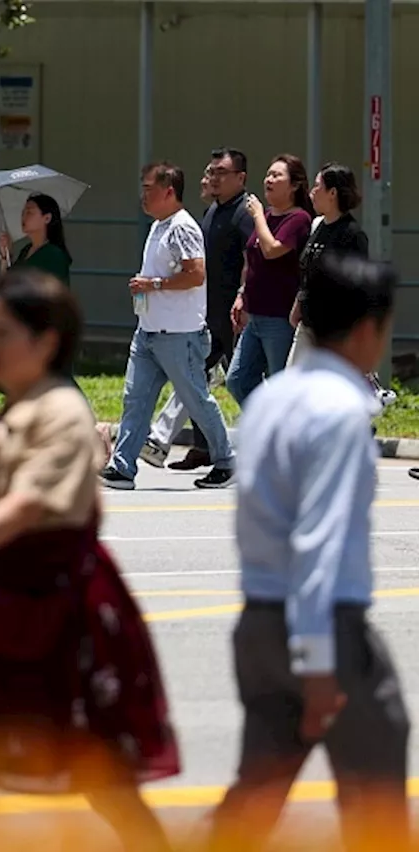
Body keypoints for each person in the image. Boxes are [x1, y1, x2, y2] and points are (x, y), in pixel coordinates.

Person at [0, 268, 179, 852]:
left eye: (1, 333)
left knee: (101, 768)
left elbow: (28, 503)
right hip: (10, 603)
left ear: (44, 342)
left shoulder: (62, 413)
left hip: (57, 608)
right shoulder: (25, 406)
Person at [207, 254, 410, 852]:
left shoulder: (270, 401)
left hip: (260, 624)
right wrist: (318, 662)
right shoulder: (342, 413)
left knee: (257, 790)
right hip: (324, 631)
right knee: (377, 772)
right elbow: (319, 540)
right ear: (370, 329)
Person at [102, 161, 235, 490]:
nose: (143, 196)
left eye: (149, 189)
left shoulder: (182, 227)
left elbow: (196, 274)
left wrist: (154, 284)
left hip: (179, 335)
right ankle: (122, 466)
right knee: (135, 399)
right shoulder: (159, 226)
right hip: (148, 332)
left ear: (169, 191)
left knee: (197, 401)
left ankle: (226, 461)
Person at [142, 148, 253, 471]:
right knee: (193, 380)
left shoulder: (244, 213)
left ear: (241, 178)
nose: (214, 178)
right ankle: (204, 447)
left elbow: (252, 258)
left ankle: (270, 444)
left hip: (235, 313)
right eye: (211, 171)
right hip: (209, 313)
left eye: (221, 173)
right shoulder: (213, 211)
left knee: (241, 379)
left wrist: (244, 295)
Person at [225, 154, 313, 406]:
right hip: (255, 314)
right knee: (238, 379)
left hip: (279, 317)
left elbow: (272, 249)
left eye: (277, 175)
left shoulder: (297, 219)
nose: (269, 180)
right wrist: (241, 295)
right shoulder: (265, 216)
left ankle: (285, 439)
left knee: (281, 384)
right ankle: (267, 427)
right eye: (268, 174)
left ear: (295, 185)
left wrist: (258, 217)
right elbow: (251, 260)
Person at [287, 163, 369, 367]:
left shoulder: (352, 234)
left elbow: (357, 286)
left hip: (334, 330)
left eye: (317, 187)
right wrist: (298, 303)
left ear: (332, 193)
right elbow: (308, 272)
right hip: (307, 324)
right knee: (294, 381)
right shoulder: (317, 226)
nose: (312, 193)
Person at [0, 193, 72, 286]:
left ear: (47, 218)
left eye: (29, 212)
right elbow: (6, 286)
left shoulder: (54, 255)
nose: (24, 217)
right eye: (23, 213)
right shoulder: (25, 251)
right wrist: (5, 256)